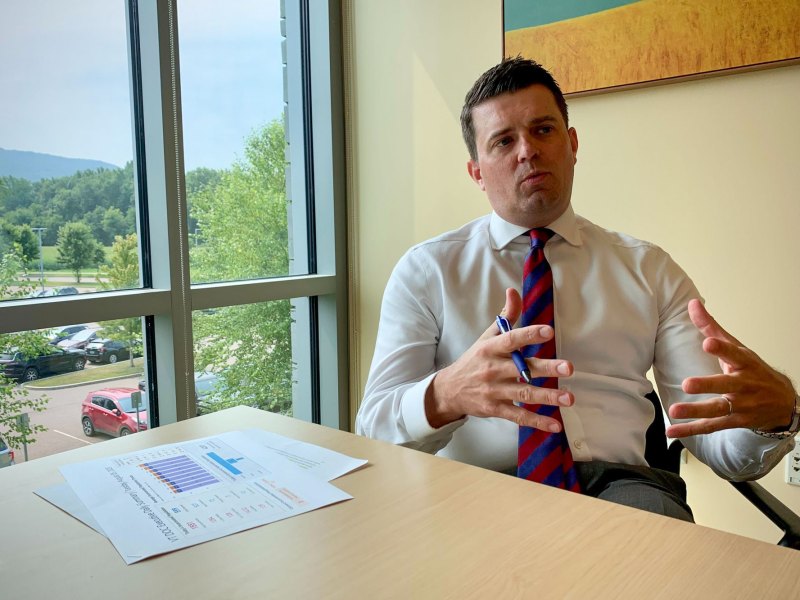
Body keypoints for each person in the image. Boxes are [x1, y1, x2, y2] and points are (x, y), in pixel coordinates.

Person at [356, 57, 798, 521]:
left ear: (571, 144)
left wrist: (773, 419)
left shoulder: (649, 270)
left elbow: (716, 441)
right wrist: (445, 394)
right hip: (475, 489)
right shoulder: (427, 271)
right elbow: (373, 430)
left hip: (623, 489)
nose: (526, 150)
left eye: (543, 130)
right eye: (503, 141)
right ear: (477, 173)